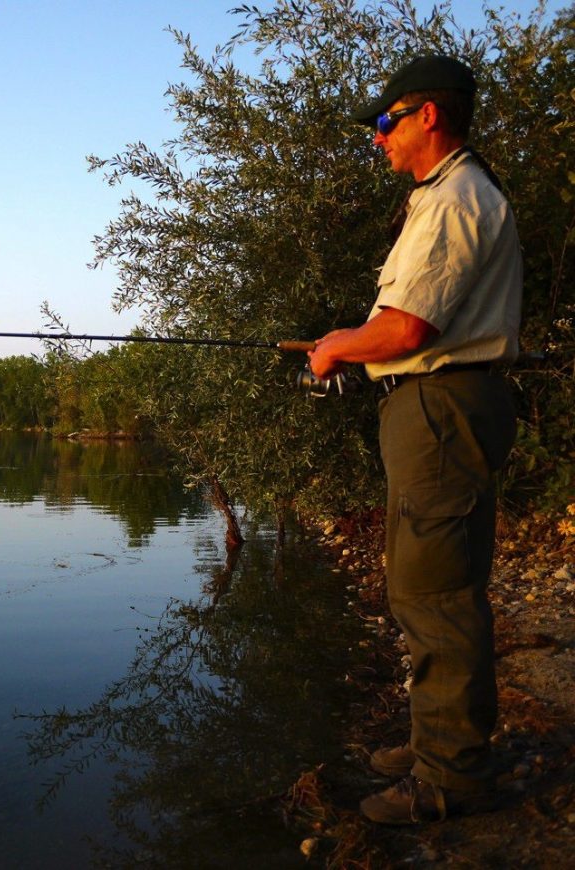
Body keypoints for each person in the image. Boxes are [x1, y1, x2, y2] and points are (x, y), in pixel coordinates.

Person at [308, 54, 522, 825]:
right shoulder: (448, 194)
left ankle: (452, 778)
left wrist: (337, 345)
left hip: (440, 407)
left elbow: (408, 329)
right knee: (423, 583)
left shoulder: (457, 197)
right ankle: (438, 742)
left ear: (427, 115)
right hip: (433, 408)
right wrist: (350, 344)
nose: (378, 138)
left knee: (436, 593)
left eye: (385, 121)